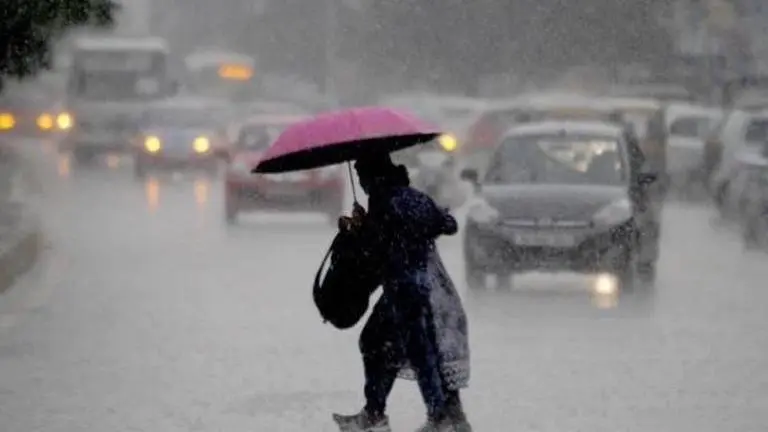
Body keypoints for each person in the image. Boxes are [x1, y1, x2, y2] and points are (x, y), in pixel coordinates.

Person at [332, 153, 471, 432]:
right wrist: (422, 225)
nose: (361, 183)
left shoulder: (384, 201)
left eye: (362, 177)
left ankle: (436, 417)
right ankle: (384, 413)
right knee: (395, 346)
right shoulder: (413, 197)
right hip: (426, 287)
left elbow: (373, 250)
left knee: (412, 351)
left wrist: (356, 230)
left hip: (402, 289)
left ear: (374, 176)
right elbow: (448, 224)